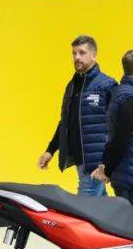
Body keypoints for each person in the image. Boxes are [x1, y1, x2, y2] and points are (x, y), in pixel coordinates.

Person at [38, 36, 117, 197]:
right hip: (80, 159)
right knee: (100, 202)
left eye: (82, 52)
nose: (77, 57)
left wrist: (108, 162)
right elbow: (65, 122)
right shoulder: (72, 86)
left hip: (96, 162)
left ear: (93, 55)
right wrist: (50, 150)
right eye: (74, 53)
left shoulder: (107, 85)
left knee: (83, 205)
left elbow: (120, 124)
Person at [92, 49, 133, 221]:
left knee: (128, 224)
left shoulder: (126, 94)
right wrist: (107, 168)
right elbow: (120, 139)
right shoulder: (131, 98)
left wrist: (107, 166)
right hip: (132, 177)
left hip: (130, 173)